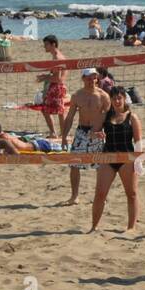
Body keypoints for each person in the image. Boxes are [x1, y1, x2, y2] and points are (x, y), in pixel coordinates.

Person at [90, 86, 142, 231]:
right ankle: (94, 227)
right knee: (100, 193)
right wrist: (97, 135)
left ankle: (131, 228)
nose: (117, 101)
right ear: (110, 100)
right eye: (114, 98)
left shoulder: (132, 117)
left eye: (119, 97)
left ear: (124, 98)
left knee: (131, 194)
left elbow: (138, 142)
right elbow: (92, 133)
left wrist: (138, 161)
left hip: (127, 158)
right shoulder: (105, 115)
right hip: (108, 157)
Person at [60, 69, 111, 206]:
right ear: (83, 78)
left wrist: (105, 134)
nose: (91, 80)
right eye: (88, 78)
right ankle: (74, 196)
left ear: (97, 79)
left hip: (98, 132)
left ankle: (101, 196)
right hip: (82, 132)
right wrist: (64, 136)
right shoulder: (77, 95)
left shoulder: (104, 96)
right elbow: (70, 117)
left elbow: (108, 118)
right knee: (74, 164)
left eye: (94, 78)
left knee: (100, 166)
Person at [37, 35, 69, 137]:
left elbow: (58, 78)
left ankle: (55, 133)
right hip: (59, 86)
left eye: (46, 44)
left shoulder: (57, 58)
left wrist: (44, 78)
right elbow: (56, 75)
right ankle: (60, 133)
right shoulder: (57, 56)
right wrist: (46, 76)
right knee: (60, 112)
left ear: (53, 44)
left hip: (57, 87)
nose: (44, 47)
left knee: (47, 110)